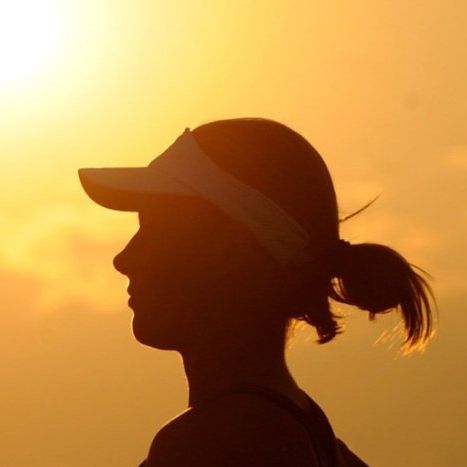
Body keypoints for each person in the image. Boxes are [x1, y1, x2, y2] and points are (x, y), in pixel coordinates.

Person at [78, 117, 436, 466]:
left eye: (154, 230)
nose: (124, 259)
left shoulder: (208, 445)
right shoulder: (329, 450)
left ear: (232, 249)